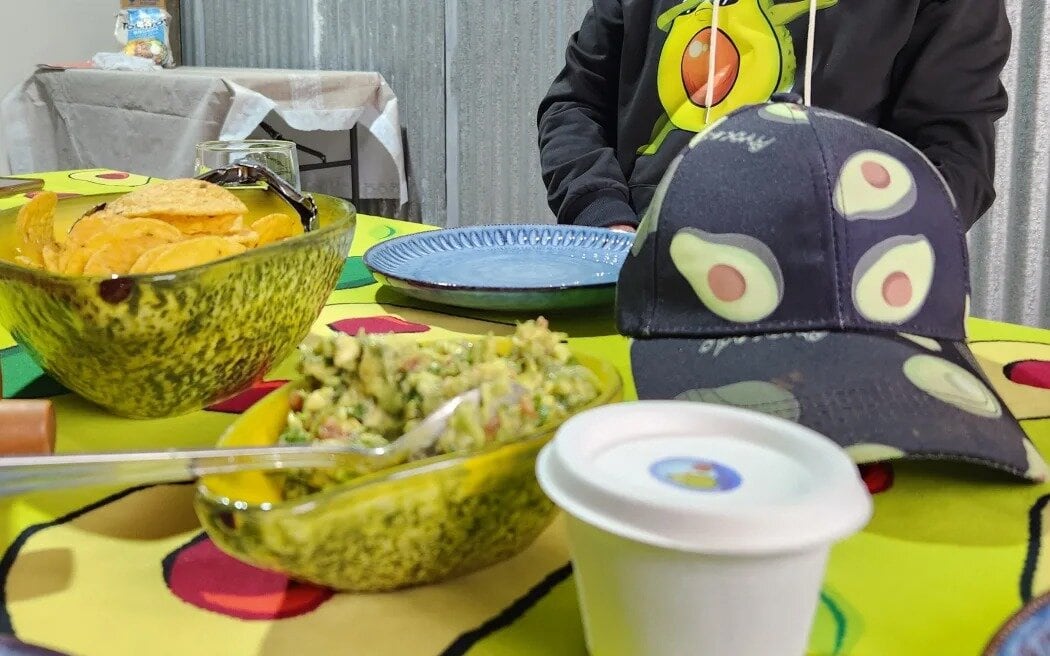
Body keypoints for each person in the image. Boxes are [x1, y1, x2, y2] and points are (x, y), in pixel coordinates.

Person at [537, 0, 1011, 232]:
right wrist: (604, 218)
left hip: (837, 318)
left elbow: (955, 152)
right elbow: (575, 103)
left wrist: (857, 260)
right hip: (641, 282)